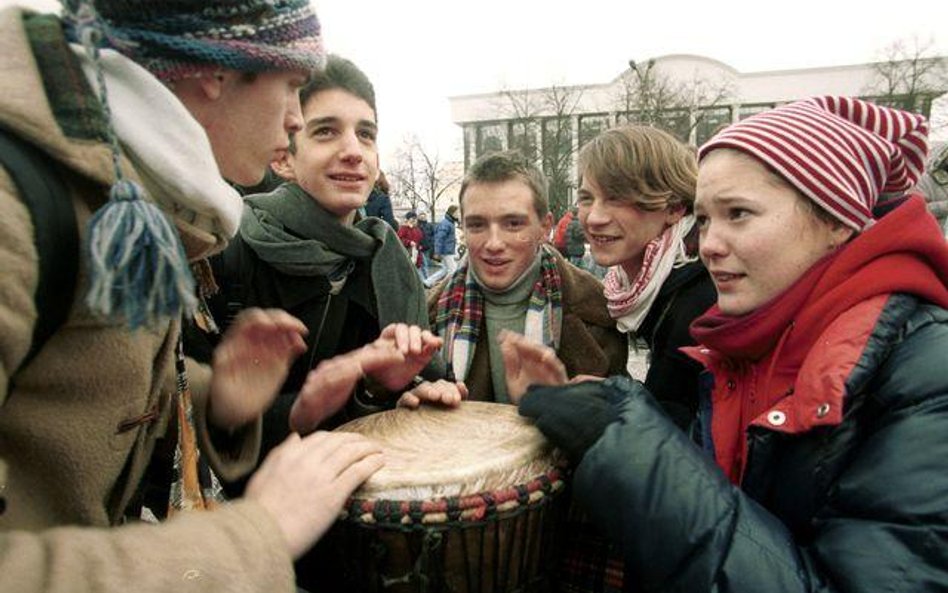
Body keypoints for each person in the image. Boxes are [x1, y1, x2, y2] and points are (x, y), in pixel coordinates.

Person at [0, 2, 387, 592]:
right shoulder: (14, 208)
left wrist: (219, 404)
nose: (292, 120)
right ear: (217, 71)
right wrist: (258, 535)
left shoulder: (125, 191)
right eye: (290, 88)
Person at [505, 96, 948, 592]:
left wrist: (625, 435)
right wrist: (612, 408)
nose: (709, 244)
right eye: (706, 219)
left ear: (836, 219)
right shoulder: (750, 340)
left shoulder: (926, 374)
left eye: (738, 213)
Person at [201, 54, 439, 478]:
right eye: (326, 131)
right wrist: (298, 411)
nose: (353, 151)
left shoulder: (386, 262)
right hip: (248, 523)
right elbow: (177, 423)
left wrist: (394, 388)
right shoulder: (223, 251)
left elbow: (388, 402)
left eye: (365, 134)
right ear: (284, 158)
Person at [402, 150, 625, 406]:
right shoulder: (424, 315)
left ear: (544, 227)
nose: (494, 243)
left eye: (513, 224)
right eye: (477, 225)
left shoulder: (599, 309)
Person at [577, 125, 716, 429]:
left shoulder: (701, 297)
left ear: (675, 207)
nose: (595, 217)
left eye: (617, 198)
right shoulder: (660, 280)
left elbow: (678, 431)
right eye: (587, 198)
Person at [424, 203, 460, 287]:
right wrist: (437, 252)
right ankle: (446, 286)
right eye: (457, 213)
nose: (458, 215)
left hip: (447, 250)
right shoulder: (446, 223)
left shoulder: (449, 223)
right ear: (452, 213)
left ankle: (428, 282)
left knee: (444, 270)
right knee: (453, 270)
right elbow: (439, 238)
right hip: (446, 251)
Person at [397, 210, 425, 278]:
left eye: (415, 218)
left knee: (417, 271)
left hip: (416, 252)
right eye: (412, 218)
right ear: (408, 219)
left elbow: (421, 239)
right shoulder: (403, 228)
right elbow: (399, 239)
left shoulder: (417, 229)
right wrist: (409, 242)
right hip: (407, 252)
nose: (414, 220)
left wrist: (421, 246)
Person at [417, 209, 435, 280]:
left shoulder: (429, 225)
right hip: (420, 248)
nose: (423, 217)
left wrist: (431, 243)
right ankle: (426, 279)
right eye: (421, 216)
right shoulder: (417, 225)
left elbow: (433, 235)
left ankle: (426, 279)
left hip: (427, 247)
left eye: (424, 216)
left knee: (425, 264)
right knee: (423, 264)